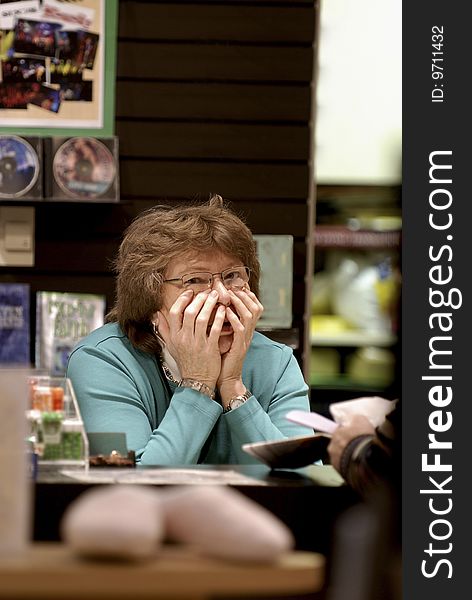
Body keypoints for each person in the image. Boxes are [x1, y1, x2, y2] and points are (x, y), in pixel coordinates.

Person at [67, 195, 311, 465]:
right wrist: (198, 383)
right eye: (195, 280)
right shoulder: (104, 360)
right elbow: (135, 486)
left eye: (232, 276)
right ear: (150, 299)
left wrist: (233, 387)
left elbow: (303, 479)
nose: (222, 296)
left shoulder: (276, 361)